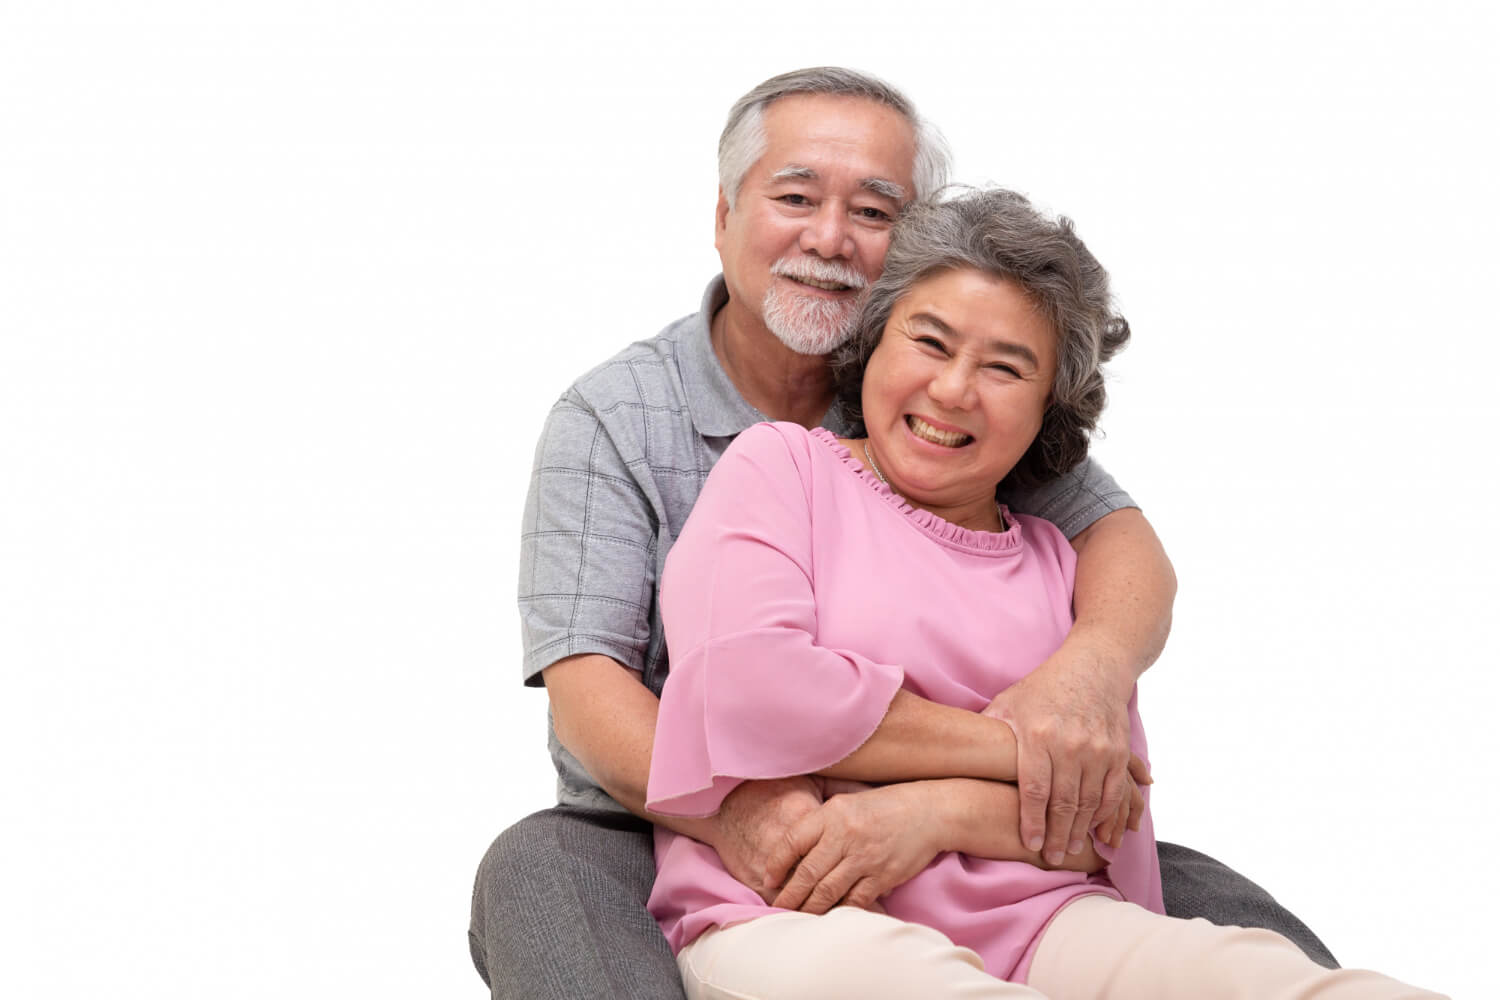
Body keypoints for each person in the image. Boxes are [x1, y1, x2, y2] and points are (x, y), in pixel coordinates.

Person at [470, 67, 1334, 1000]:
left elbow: (1123, 547)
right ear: (723, 214)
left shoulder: (939, 385)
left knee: (1233, 930)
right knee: (536, 874)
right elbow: (588, 687)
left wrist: (1082, 681)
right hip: (666, 816)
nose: (830, 238)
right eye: (795, 196)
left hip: (980, 836)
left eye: (875, 213)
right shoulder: (618, 415)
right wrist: (744, 815)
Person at [644, 187, 1441, 1000]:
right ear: (874, 345)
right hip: (790, 916)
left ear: (1048, 413)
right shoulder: (781, 468)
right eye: (930, 341)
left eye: (1005, 368)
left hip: (1045, 920)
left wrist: (928, 815)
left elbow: (1106, 818)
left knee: (1269, 979)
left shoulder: (1060, 564)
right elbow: (748, 693)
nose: (955, 390)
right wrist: (1021, 751)